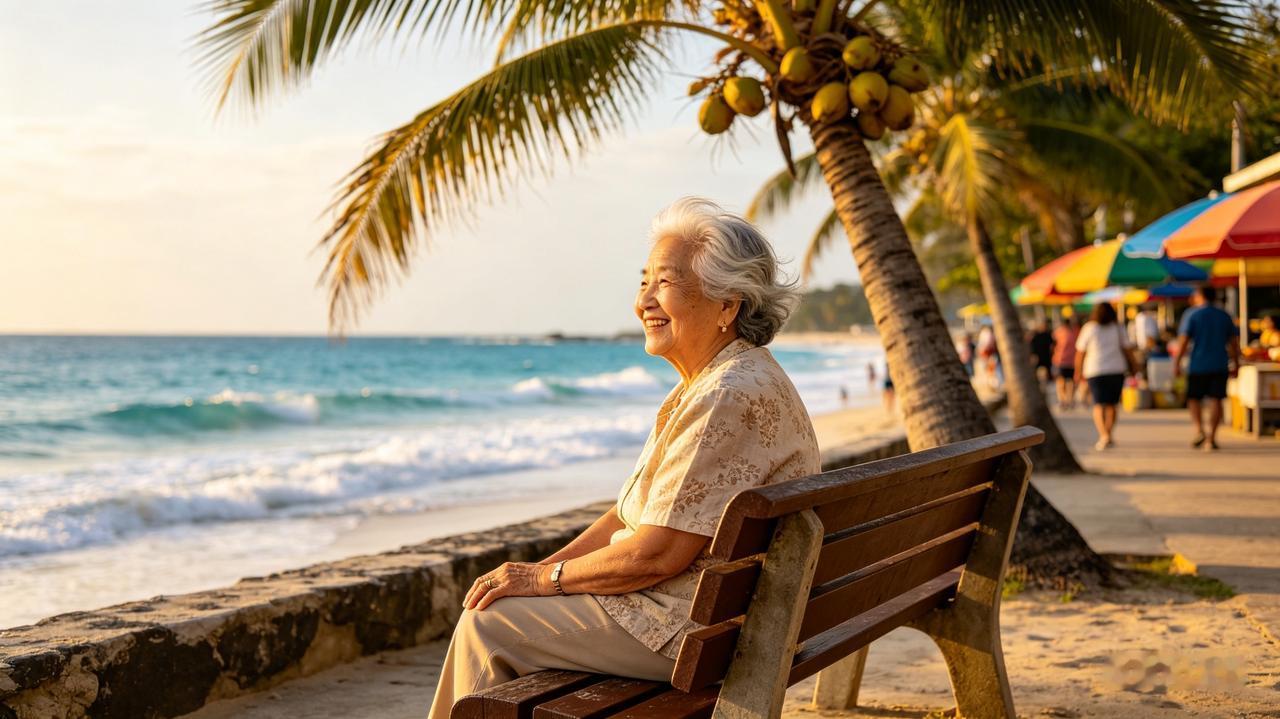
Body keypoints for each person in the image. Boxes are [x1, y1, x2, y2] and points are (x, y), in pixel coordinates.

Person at [427, 198, 818, 717]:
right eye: (644, 282)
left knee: (488, 625)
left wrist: (542, 583)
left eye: (666, 283)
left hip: (687, 630)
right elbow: (627, 516)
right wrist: (538, 572)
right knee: (508, 602)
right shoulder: (729, 379)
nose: (644, 302)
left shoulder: (725, 394)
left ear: (729, 306)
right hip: (715, 616)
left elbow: (658, 554)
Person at [1173, 286, 1240, 451]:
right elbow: (1233, 343)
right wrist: (1236, 363)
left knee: (1193, 398)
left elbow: (1183, 341)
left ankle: (1199, 430)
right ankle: (1212, 437)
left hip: (1197, 364)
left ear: (1200, 296)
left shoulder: (1192, 314)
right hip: (1219, 363)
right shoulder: (1224, 315)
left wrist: (1176, 363)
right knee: (1216, 399)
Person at [1075, 302, 1137, 451]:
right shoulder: (1118, 327)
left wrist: (1078, 371)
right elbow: (1127, 350)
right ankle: (1108, 434)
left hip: (1094, 370)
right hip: (1116, 369)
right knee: (1112, 405)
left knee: (1098, 404)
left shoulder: (1089, 328)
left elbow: (1080, 352)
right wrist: (1135, 367)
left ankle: (1103, 435)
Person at [1052, 317, 1080, 410]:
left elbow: (1052, 345)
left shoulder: (1059, 332)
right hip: (1065, 360)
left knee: (1064, 381)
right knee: (1066, 381)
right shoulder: (1074, 331)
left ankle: (1065, 400)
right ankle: (1066, 400)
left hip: (1065, 360)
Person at [1028, 321, 1055, 385]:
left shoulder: (1046, 335)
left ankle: (1047, 380)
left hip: (1045, 355)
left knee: (1046, 368)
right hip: (1042, 356)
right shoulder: (1038, 335)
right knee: (1039, 368)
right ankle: (1039, 380)